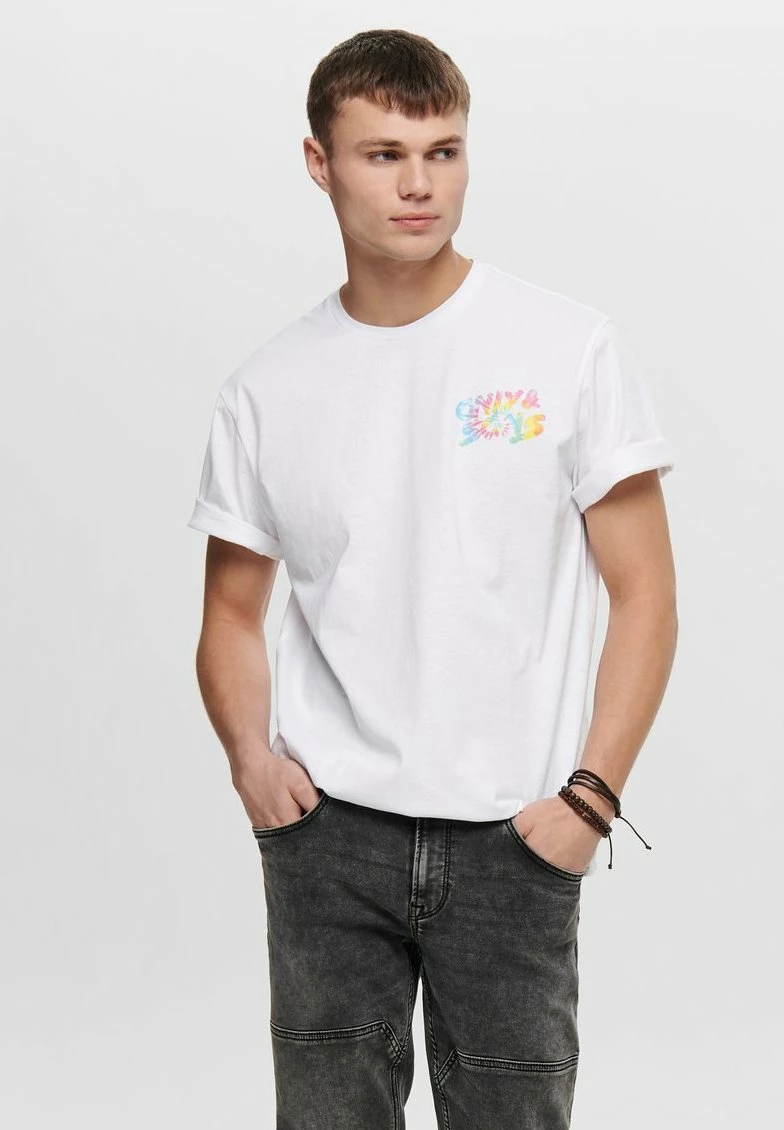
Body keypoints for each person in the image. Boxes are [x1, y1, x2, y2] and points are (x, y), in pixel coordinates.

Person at [186, 27, 678, 1130]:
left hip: (516, 832)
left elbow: (645, 592)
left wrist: (589, 802)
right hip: (330, 836)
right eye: (384, 154)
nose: (420, 183)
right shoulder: (268, 388)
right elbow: (229, 610)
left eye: (443, 151)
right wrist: (252, 764)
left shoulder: (565, 348)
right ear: (319, 163)